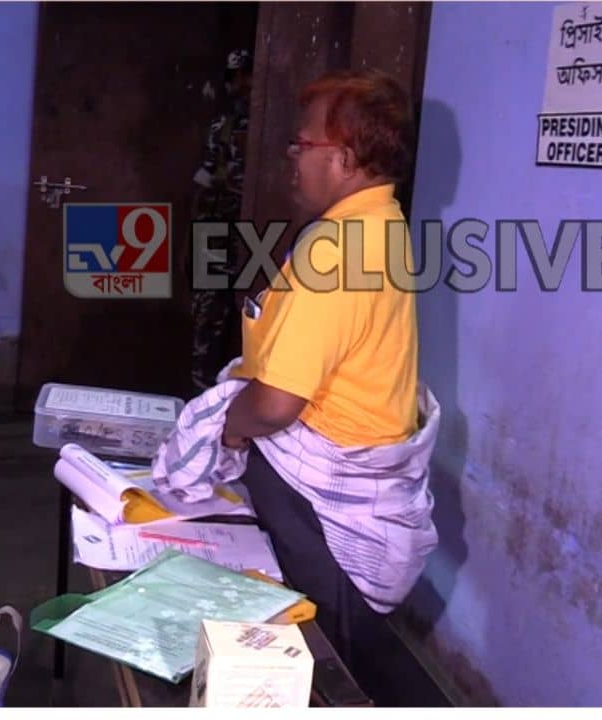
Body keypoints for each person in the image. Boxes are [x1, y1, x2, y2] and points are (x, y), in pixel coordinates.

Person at [218, 69, 438, 706]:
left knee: (328, 663)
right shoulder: (383, 223)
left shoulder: (336, 249)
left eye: (302, 143)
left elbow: (276, 403)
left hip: (321, 505)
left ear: (342, 158)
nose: (292, 156)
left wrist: (229, 426)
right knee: (344, 654)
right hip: (339, 485)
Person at [190, 49, 252, 393]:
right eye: (235, 77)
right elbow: (204, 179)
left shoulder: (273, 127)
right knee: (209, 315)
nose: (241, 84)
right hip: (217, 230)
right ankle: (202, 394)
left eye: (245, 75)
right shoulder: (223, 126)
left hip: (255, 233)